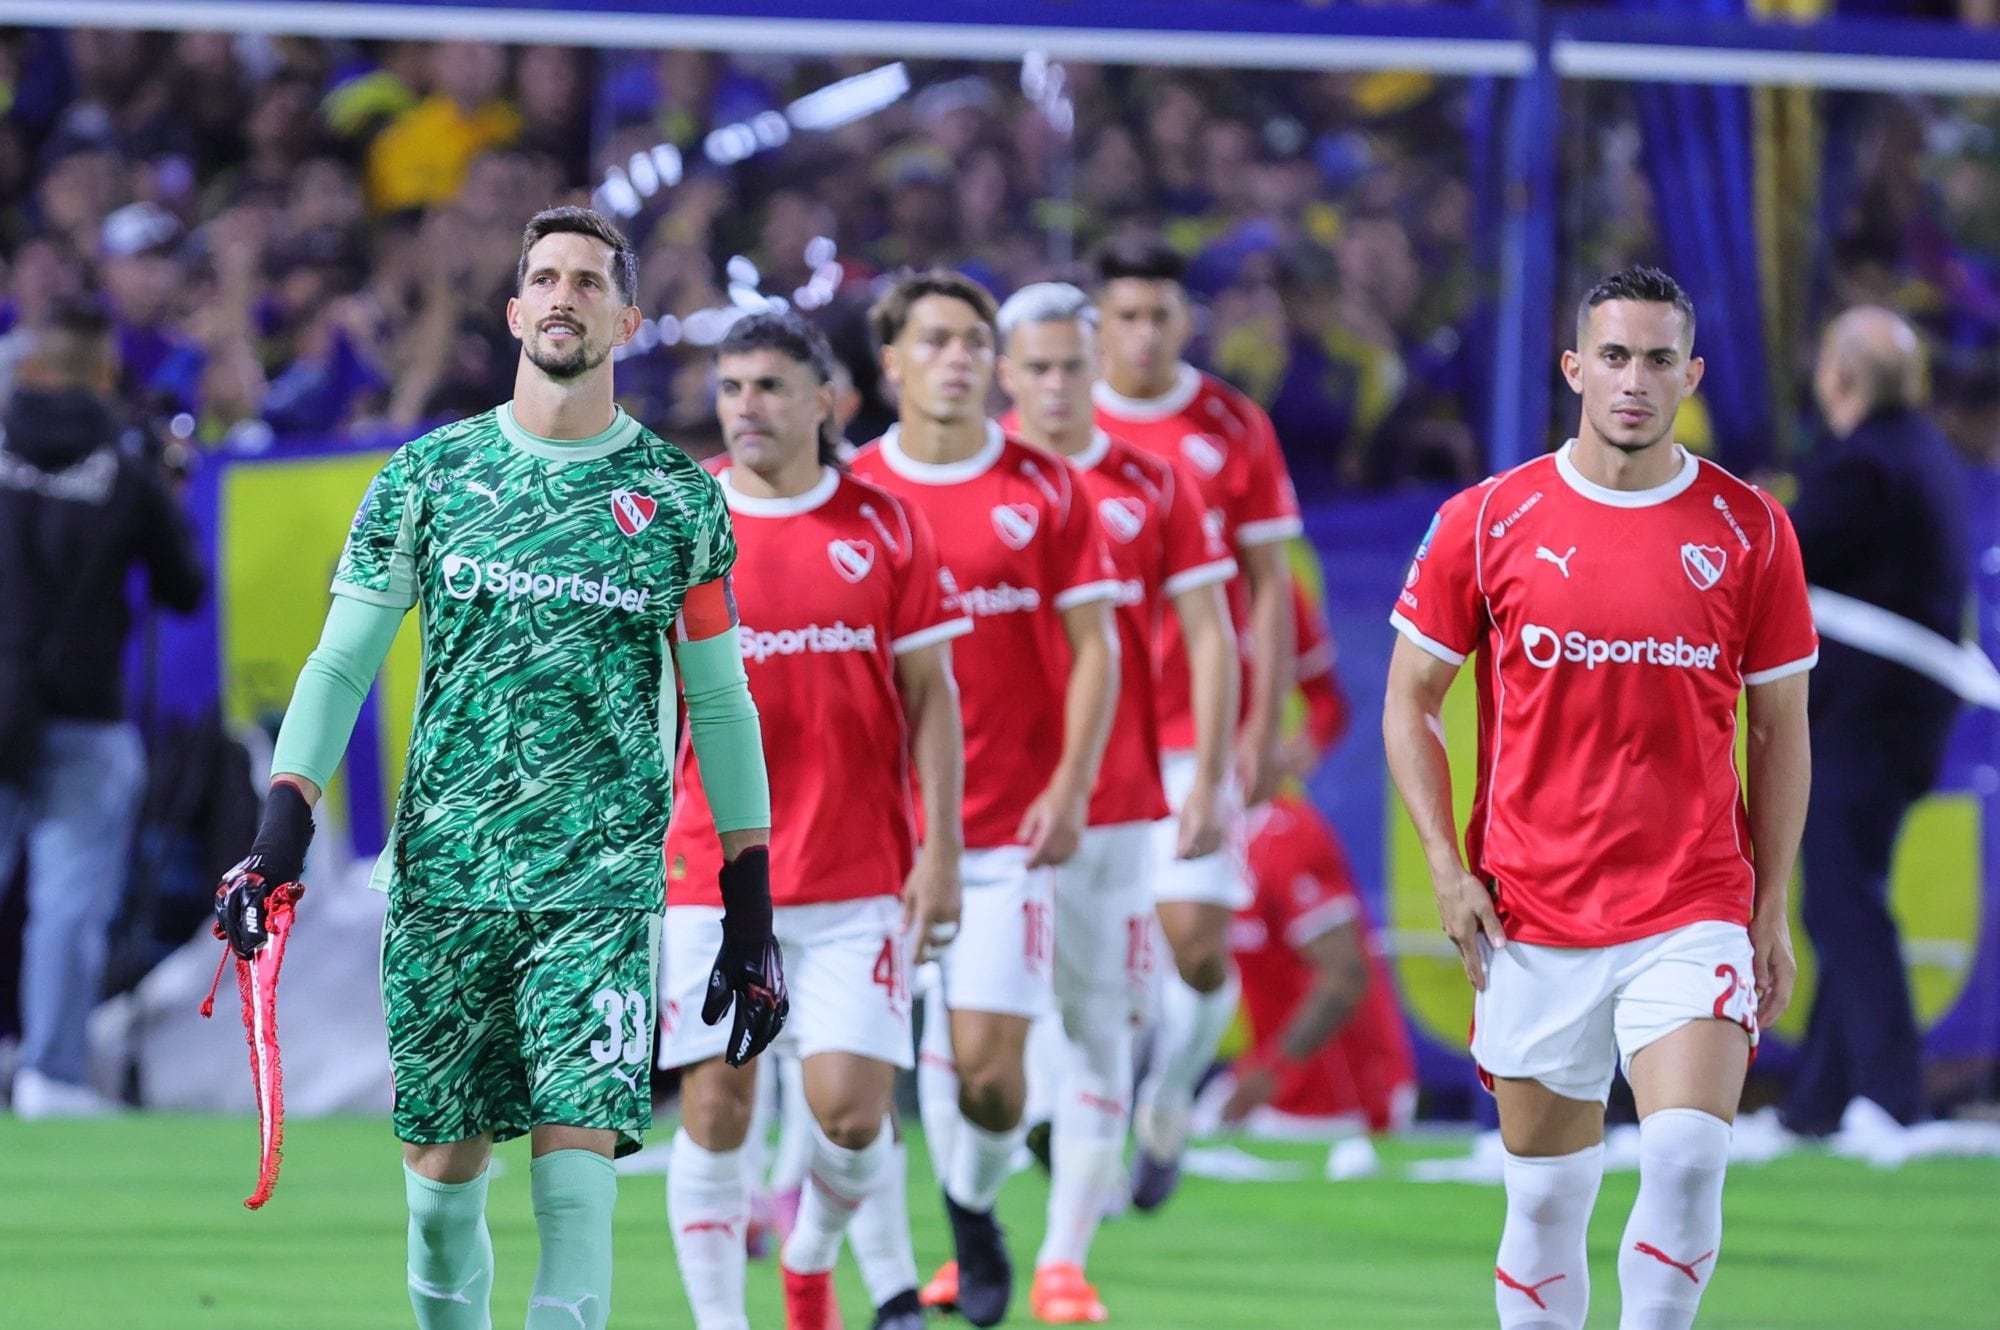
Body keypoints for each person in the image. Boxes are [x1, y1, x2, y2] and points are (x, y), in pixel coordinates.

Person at [210, 207, 783, 1330]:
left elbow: (719, 699)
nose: (563, 295)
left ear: (625, 317)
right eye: (544, 278)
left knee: (577, 1181)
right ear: (517, 310)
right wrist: (282, 831)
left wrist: (746, 893)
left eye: (587, 280)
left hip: (602, 890)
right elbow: (338, 665)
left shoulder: (677, 501)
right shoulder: (428, 474)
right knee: (438, 1196)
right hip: (445, 882)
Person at [1383, 267, 1817, 1330]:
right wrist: (1446, 867)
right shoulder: (1485, 521)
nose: (1634, 381)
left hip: (1691, 900)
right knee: (1542, 1194)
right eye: (1613, 357)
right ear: (1573, 367)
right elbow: (1409, 703)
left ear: (1691, 374)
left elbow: (1777, 730)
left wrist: (1765, 910)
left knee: (1680, 1152)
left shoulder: (1749, 529)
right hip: (1532, 906)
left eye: (1658, 359)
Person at [658, 309, 969, 1330]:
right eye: (732, 386)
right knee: (715, 1104)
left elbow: (931, 696)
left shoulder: (885, 523)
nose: (744, 406)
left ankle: (809, 1255)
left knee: (850, 1114)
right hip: (712, 870)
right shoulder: (680, 514)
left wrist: (943, 851)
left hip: (855, 875)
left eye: (768, 387)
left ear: (824, 402)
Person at [847, 268, 1120, 1328]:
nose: (956, 358)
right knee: (850, 1088)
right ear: (893, 364)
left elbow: (1095, 649)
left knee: (990, 1081)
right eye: (935, 340)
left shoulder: (1046, 488)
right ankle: (877, 1285)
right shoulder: (854, 490)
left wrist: (1070, 782)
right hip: (871, 840)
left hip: (1005, 832)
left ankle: (968, 1204)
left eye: (972, 341)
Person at [994, 281, 1240, 1324]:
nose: (1056, 384)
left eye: (1070, 364)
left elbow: (1214, 627)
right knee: (977, 1042)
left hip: (1125, 790)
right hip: (987, 795)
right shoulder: (942, 471)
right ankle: (982, 1208)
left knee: (1112, 1004)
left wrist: (1216, 770)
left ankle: (1062, 1256)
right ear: (1006, 370)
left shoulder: (1152, 482)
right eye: (1036, 366)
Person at [1090, 235, 1303, 1209]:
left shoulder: (1230, 425)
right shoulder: (1054, 421)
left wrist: (1261, 720)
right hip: (1078, 735)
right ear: (1099, 322)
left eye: (1156, 316)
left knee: (1197, 943)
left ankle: (1167, 1096)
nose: (1140, 333)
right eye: (1123, 316)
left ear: (1184, 322)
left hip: (1191, 728)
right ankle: (1072, 1128)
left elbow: (1269, 586)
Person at [0, 294, 206, 1117]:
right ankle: (51, 1073)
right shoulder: (124, 466)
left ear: (34, 366)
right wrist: (170, 488)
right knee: (68, 907)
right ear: (108, 373)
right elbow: (184, 588)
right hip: (84, 711)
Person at [1782, 306, 1970, 1135]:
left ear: (1841, 377)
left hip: (1865, 723)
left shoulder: (1863, 467)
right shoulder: (1920, 454)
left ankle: (1894, 1101)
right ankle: (1817, 1110)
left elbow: (1779, 556)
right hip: (1901, 724)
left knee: (1840, 899)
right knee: (1844, 895)